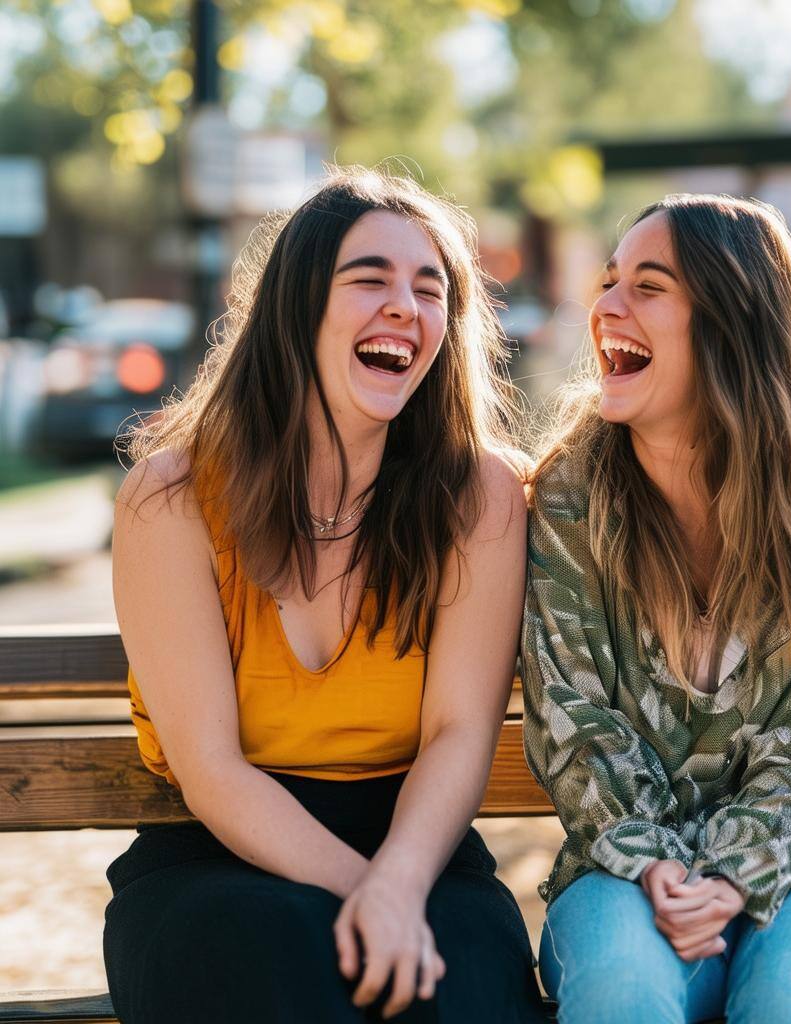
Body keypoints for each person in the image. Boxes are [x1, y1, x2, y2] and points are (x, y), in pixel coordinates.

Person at [105, 166, 546, 1024]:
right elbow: (213, 771)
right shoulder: (171, 500)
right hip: (217, 863)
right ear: (296, 307)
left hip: (420, 849)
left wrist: (399, 883)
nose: (405, 308)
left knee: (461, 986)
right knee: (272, 969)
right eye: (369, 278)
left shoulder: (481, 498)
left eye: (430, 290)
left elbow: (459, 734)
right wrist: (368, 894)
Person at [520, 194, 791, 1024]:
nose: (606, 307)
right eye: (610, 282)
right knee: (623, 993)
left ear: (734, 321)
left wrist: (731, 879)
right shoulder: (568, 500)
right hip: (624, 871)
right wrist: (659, 870)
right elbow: (574, 720)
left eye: (648, 286)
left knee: (790, 998)